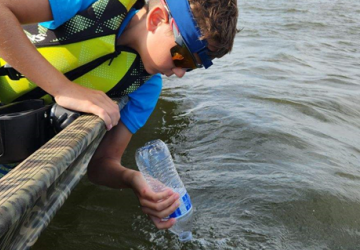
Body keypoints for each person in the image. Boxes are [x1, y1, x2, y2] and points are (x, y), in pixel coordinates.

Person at [0, 0, 238, 230]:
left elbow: (101, 164)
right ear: (157, 19)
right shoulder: (89, 3)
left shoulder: (146, 88)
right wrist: (63, 89)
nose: (179, 73)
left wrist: (132, 180)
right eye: (181, 57)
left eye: (190, 67)